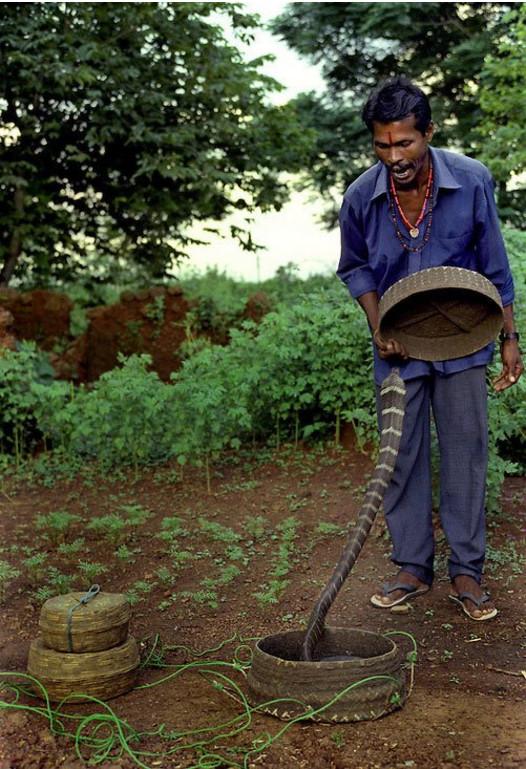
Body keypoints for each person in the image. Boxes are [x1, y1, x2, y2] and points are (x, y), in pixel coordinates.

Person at [336, 76, 523, 621]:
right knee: (401, 457)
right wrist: (377, 326)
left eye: (406, 143)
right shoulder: (359, 197)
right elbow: (356, 268)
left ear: (429, 133)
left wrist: (510, 339)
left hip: (465, 338)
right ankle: (413, 568)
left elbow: (495, 267)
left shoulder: (471, 180)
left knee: (466, 454)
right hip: (398, 344)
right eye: (382, 144)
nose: (394, 156)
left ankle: (467, 571)